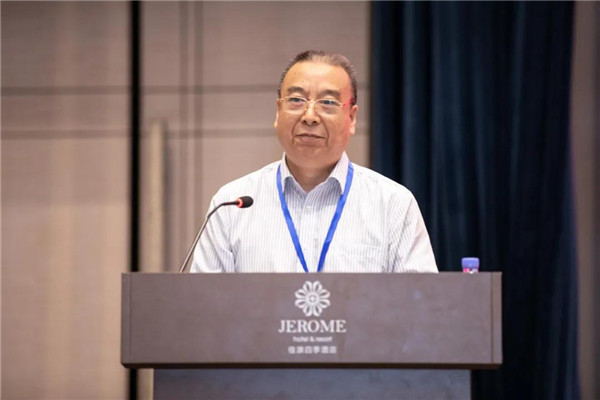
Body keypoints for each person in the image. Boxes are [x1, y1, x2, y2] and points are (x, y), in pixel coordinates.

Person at [191, 50, 437, 273]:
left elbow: (422, 302)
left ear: (352, 118)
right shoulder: (231, 205)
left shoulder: (393, 205)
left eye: (327, 102)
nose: (309, 116)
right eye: (296, 100)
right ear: (278, 112)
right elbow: (204, 303)